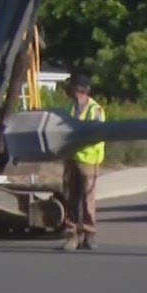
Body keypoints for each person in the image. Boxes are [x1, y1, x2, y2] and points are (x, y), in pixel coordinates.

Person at [59, 72, 105, 250]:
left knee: (87, 199)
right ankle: (72, 235)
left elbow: (96, 133)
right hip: (71, 158)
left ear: (80, 90)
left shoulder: (96, 110)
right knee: (71, 197)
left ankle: (89, 234)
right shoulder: (70, 108)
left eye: (72, 87)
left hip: (89, 159)